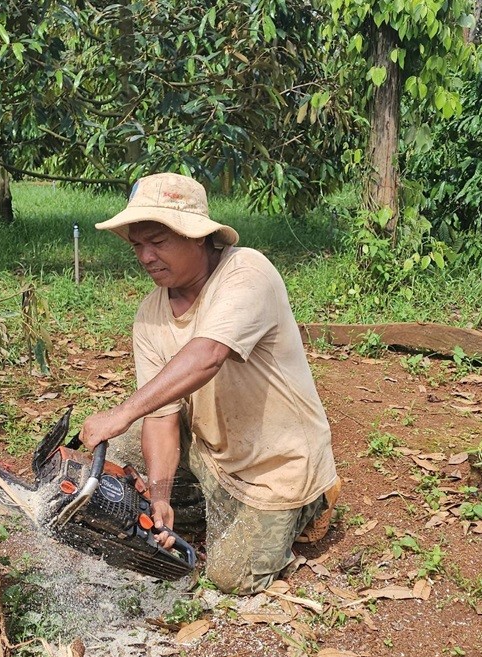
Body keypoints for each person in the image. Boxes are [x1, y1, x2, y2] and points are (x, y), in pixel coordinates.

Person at [78, 172, 340, 594]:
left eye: (158, 242)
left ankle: (313, 503)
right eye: (137, 245)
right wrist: (159, 495)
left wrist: (122, 412)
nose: (146, 256)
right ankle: (189, 503)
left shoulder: (247, 273)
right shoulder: (150, 314)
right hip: (209, 449)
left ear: (197, 236)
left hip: (276, 466)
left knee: (230, 576)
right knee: (114, 463)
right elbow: (161, 417)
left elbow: (208, 355)